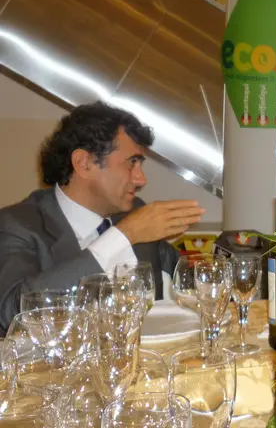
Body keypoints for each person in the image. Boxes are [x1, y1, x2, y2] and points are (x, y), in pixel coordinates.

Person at [0, 102, 206, 333]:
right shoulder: (16, 225)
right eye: (132, 162)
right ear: (84, 163)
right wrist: (122, 236)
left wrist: (227, 266)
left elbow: (187, 278)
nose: (141, 179)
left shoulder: (134, 212)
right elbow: (13, 313)